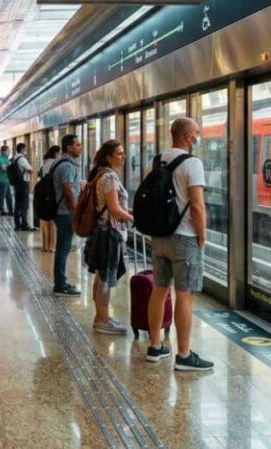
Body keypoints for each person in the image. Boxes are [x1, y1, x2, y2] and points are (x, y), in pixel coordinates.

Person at [146, 117, 213, 371]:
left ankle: (155, 346)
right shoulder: (192, 163)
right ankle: (184, 355)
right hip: (184, 238)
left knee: (159, 290)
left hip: (159, 236)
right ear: (188, 137)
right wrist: (202, 236)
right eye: (197, 133)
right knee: (185, 295)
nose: (198, 137)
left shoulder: (156, 161)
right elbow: (197, 205)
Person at [83, 140, 133, 335]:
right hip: (109, 234)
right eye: (119, 154)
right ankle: (103, 321)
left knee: (101, 275)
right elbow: (113, 209)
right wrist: (132, 218)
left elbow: (111, 206)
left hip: (100, 231)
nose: (123, 157)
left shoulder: (100, 174)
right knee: (106, 278)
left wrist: (126, 211)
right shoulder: (110, 177)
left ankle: (100, 316)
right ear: (109, 157)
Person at [52, 134, 83, 298]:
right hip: (66, 212)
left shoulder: (58, 161)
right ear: (69, 147)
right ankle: (60, 285)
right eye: (78, 145)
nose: (80, 148)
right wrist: (76, 210)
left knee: (62, 248)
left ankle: (60, 282)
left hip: (60, 210)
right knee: (63, 249)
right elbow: (68, 189)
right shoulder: (68, 166)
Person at [39, 145, 61, 252]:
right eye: (60, 153)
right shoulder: (54, 163)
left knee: (44, 221)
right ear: (56, 153)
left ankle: (45, 246)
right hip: (51, 193)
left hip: (43, 193)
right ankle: (51, 246)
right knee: (51, 222)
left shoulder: (45, 162)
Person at [13, 143, 34, 231]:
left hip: (17, 183)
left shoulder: (15, 157)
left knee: (17, 204)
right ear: (22, 149)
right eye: (25, 149)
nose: (26, 151)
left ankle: (17, 224)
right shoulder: (22, 159)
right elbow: (30, 170)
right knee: (24, 204)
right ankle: (24, 224)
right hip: (23, 184)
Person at [0, 145, 13, 216]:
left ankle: (10, 210)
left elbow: (8, 168)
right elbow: (4, 169)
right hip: (2, 180)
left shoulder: (7, 158)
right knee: (2, 196)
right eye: (7, 151)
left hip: (7, 180)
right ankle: (1, 210)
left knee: (9, 196)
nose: (8, 152)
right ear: (2, 151)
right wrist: (11, 167)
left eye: (8, 151)